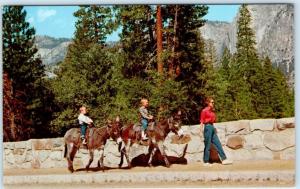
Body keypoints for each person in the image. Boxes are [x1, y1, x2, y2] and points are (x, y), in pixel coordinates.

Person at [200, 97, 233, 166]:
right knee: (208, 145)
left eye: (213, 102)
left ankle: (224, 159)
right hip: (207, 127)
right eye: (212, 102)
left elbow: (214, 120)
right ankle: (206, 161)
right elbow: (202, 122)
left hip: (212, 127)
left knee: (218, 143)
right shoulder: (204, 111)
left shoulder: (212, 111)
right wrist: (200, 132)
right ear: (208, 103)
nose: (213, 103)